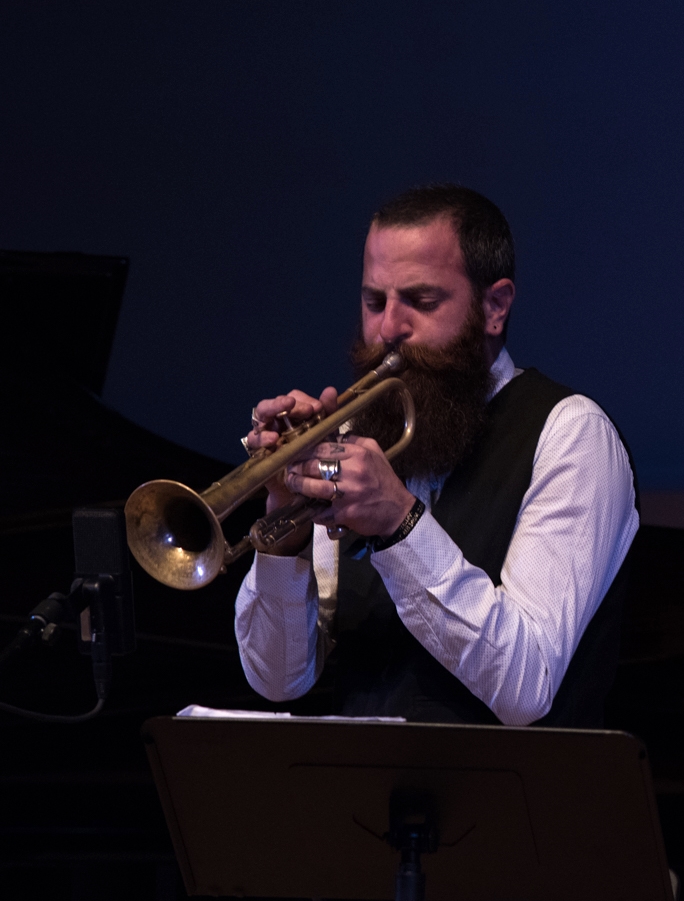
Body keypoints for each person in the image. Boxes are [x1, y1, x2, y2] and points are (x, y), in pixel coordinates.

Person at [233, 184, 638, 726]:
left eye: (421, 302)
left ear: (495, 306)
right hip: (359, 797)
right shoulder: (354, 438)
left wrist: (399, 523)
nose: (387, 329)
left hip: (514, 802)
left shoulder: (571, 434)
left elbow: (526, 685)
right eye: (374, 301)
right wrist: (284, 522)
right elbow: (279, 680)